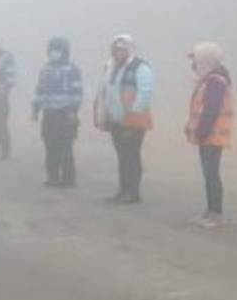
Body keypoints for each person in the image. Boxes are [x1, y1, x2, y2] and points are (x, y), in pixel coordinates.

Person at [93, 34, 153, 204]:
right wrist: (104, 114)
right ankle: (123, 190)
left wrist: (132, 112)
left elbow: (146, 93)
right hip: (116, 120)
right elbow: (106, 92)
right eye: (115, 49)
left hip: (134, 120)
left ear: (129, 50)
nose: (118, 53)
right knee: (122, 156)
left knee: (131, 155)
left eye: (121, 50)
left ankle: (133, 192)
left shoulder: (141, 67)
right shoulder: (111, 67)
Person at [185, 42, 234, 228]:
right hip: (209, 135)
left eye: (196, 61)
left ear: (206, 61)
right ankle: (211, 211)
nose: (194, 65)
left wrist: (201, 132)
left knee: (211, 173)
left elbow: (211, 110)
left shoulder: (214, 82)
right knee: (210, 173)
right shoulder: (211, 80)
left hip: (211, 136)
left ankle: (215, 213)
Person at [31, 37, 83, 187]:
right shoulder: (45, 69)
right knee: (50, 146)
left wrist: (74, 111)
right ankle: (52, 177)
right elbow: (40, 90)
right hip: (49, 113)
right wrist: (36, 108)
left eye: (58, 50)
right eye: (52, 50)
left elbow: (77, 92)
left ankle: (68, 178)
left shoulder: (72, 70)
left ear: (65, 52)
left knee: (66, 146)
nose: (54, 53)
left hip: (66, 113)